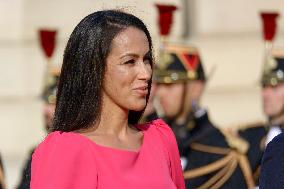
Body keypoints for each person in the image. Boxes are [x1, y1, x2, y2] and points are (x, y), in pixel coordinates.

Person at [30, 10, 185, 189]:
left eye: (147, 59)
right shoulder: (66, 149)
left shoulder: (160, 139)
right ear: (95, 69)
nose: (146, 73)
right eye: (130, 61)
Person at [153, 43, 259, 188]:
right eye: (159, 85)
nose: (160, 94)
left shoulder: (220, 149)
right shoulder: (150, 138)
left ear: (196, 88)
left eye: (170, 85)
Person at [17, 67, 60, 189]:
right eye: (45, 103)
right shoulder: (38, 153)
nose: (45, 110)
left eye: (52, 103)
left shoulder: (80, 152)